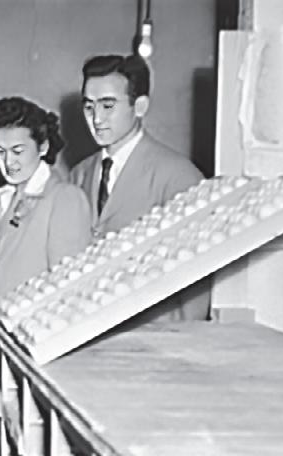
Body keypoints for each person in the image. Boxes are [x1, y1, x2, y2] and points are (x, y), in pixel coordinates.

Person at [0, 96, 92, 454]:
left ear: (43, 146)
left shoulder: (64, 199)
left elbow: (70, 298)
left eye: (18, 150)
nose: (9, 162)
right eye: (0, 151)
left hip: (34, 354)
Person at [70, 54, 209, 322]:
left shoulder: (179, 176)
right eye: (88, 107)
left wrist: (185, 337)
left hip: (153, 333)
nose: (96, 118)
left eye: (108, 106)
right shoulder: (78, 175)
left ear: (140, 106)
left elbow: (196, 280)